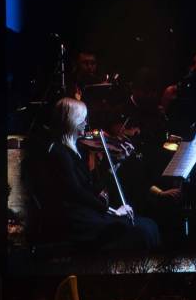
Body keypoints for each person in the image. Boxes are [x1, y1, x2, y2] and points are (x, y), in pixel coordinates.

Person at [39, 98, 160, 251]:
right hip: (76, 221)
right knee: (141, 231)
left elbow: (91, 188)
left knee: (150, 225)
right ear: (72, 122)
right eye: (83, 120)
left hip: (89, 213)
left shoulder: (74, 151)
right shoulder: (58, 152)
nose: (86, 124)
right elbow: (77, 192)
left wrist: (116, 164)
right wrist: (113, 211)